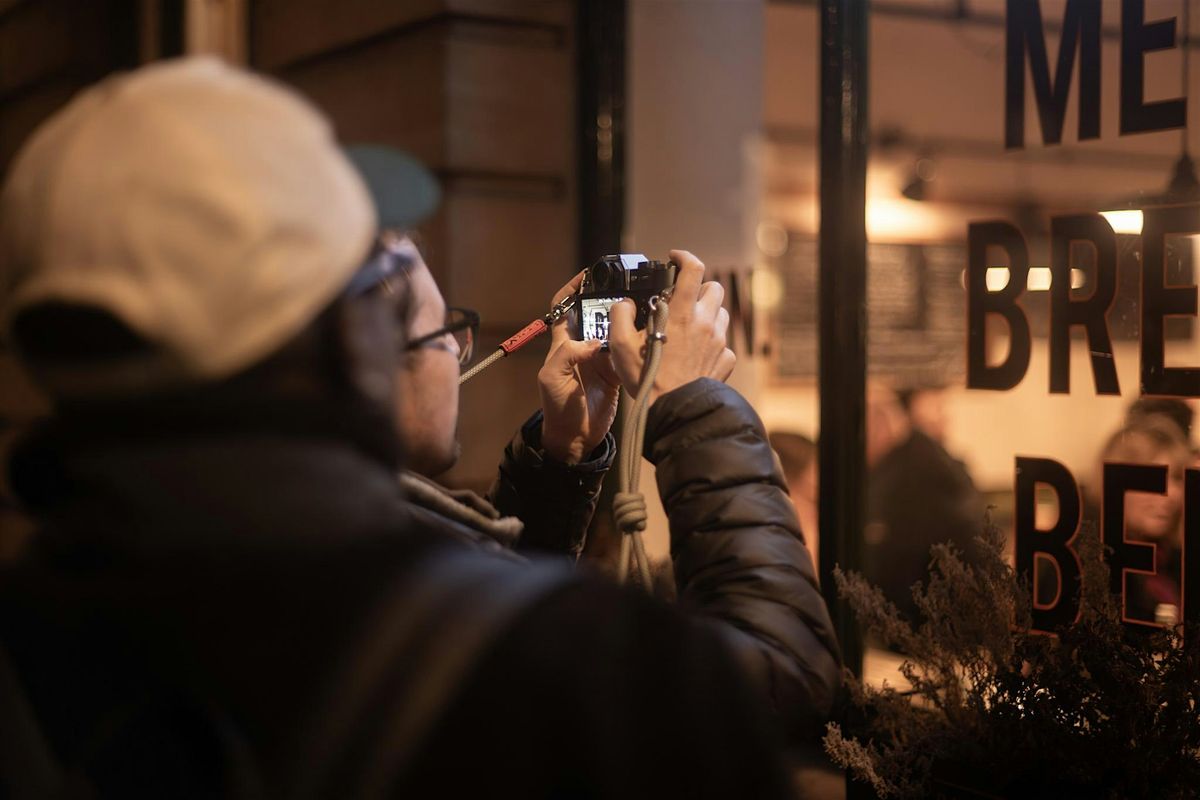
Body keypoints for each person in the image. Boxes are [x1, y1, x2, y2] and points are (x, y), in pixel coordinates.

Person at [0, 58, 840, 797]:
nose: (451, 348)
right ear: (353, 341)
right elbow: (782, 677)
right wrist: (690, 404)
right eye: (416, 305)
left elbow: (464, 604)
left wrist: (562, 461)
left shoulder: (41, 635)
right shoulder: (581, 674)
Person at [863, 384, 984, 624]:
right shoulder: (922, 460)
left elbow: (897, 561)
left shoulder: (913, 471)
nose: (945, 417)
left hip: (932, 620)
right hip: (947, 612)